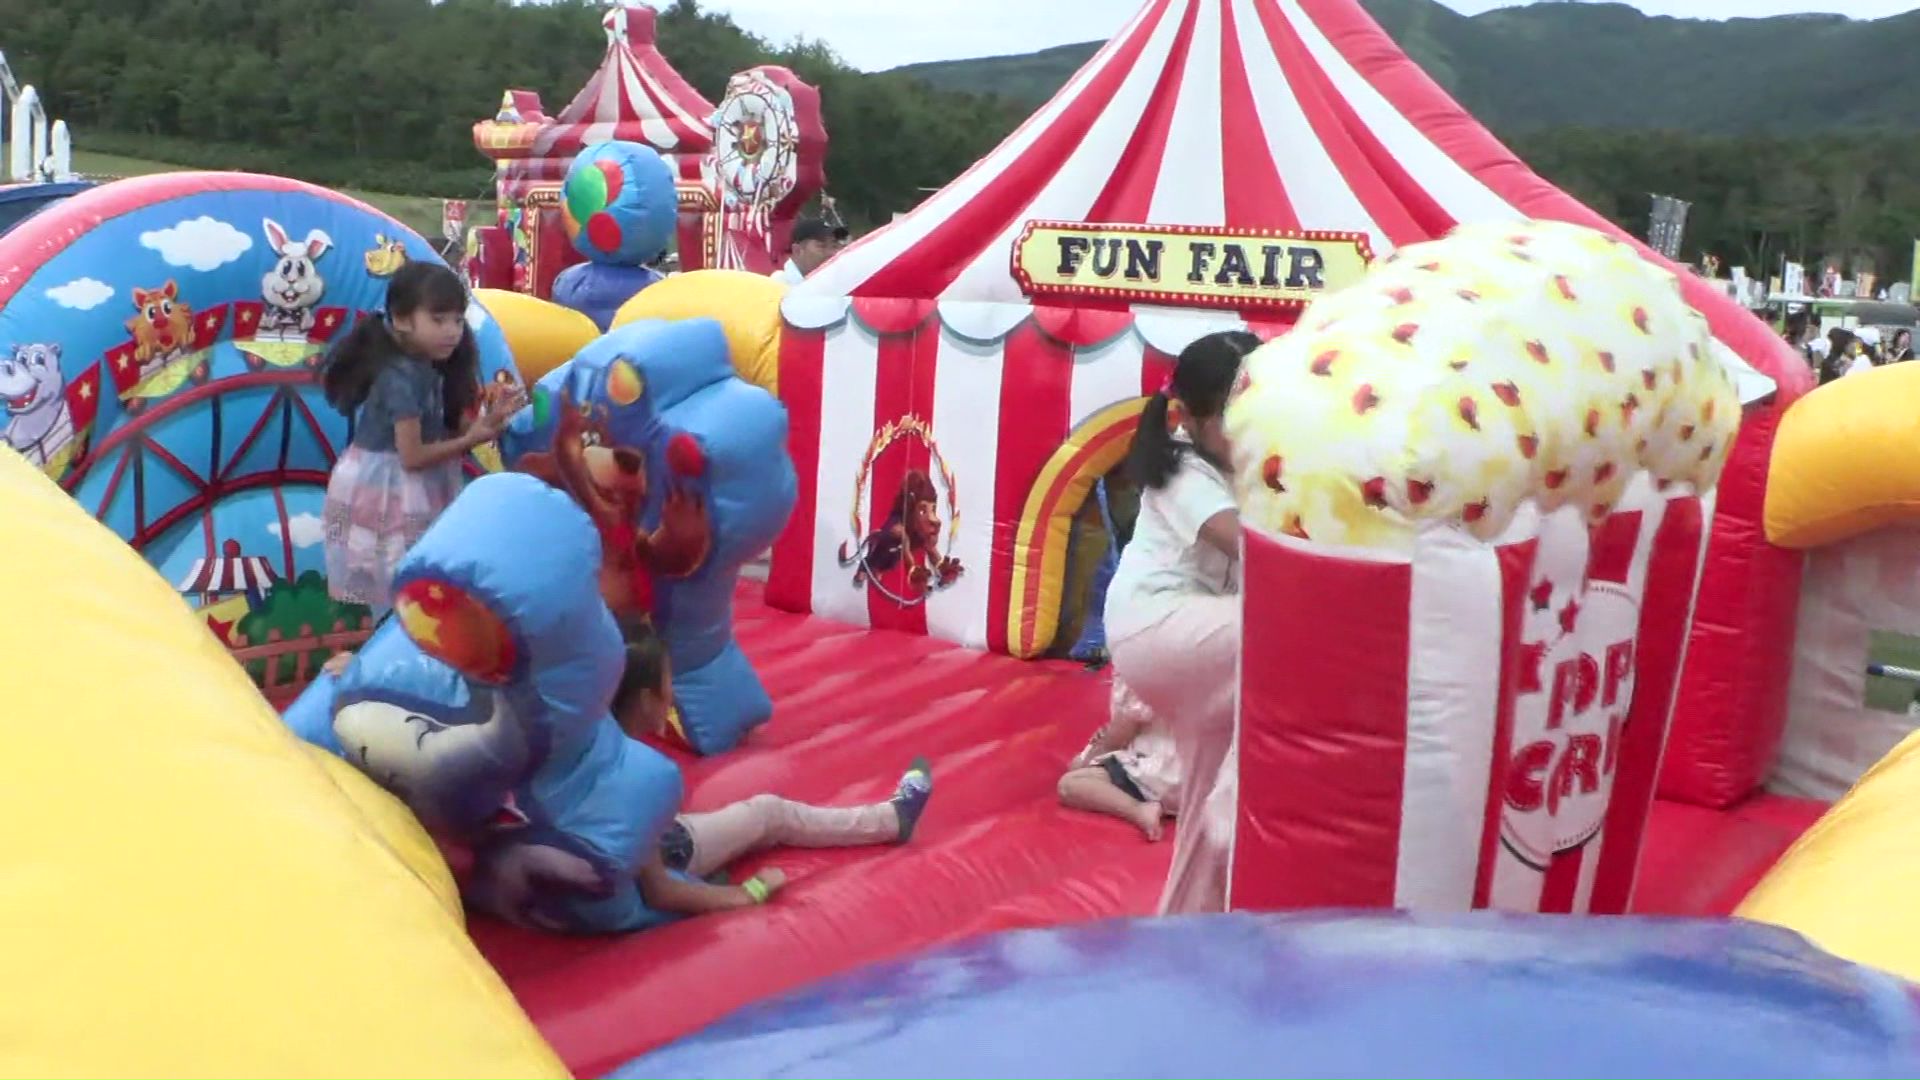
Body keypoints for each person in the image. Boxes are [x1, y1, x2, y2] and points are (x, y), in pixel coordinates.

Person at [1102, 329, 1261, 914]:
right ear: (1187, 417)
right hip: (1156, 626)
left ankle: (1186, 929)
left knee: (1199, 812)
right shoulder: (1181, 466)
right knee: (1284, 635)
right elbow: (1243, 542)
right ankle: (1242, 799)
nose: (1250, 428)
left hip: (1197, 640)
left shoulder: (1244, 466)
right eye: (1234, 415)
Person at [612, 626, 934, 913]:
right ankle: (891, 820)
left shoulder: (590, 744)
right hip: (676, 847)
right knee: (771, 813)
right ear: (644, 699)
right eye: (668, 682)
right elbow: (660, 892)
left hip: (660, 838)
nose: (673, 694)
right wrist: (748, 892)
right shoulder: (634, 776)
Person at [319, 262, 525, 615]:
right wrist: (472, 439)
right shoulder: (397, 377)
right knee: (398, 592)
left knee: (423, 588)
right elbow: (411, 456)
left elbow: (451, 428)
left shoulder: (435, 366)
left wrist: (490, 418)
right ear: (401, 319)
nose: (451, 331)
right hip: (389, 488)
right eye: (439, 319)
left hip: (419, 483)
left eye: (458, 321)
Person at [1059, 678, 1180, 840]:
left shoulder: (1140, 678)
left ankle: (1139, 810)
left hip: (1161, 776)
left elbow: (1116, 738)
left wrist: (1089, 758)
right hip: (1201, 781)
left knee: (1070, 783)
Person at [770, 217, 847, 285]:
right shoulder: (778, 286)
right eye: (821, 246)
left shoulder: (835, 285)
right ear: (797, 250)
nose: (831, 253)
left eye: (834, 246)